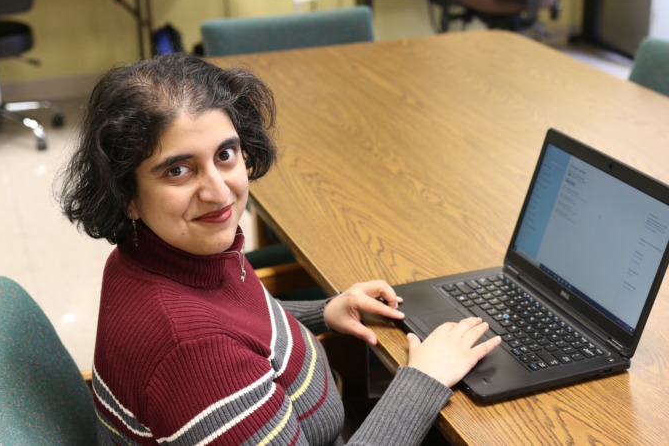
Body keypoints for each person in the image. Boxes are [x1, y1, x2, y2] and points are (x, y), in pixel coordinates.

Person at [57, 52, 501, 445]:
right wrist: (423, 380)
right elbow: (210, 345)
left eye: (225, 155)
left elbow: (234, 317)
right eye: (177, 170)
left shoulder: (156, 255)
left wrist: (324, 311)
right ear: (127, 195)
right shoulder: (193, 354)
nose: (218, 191)